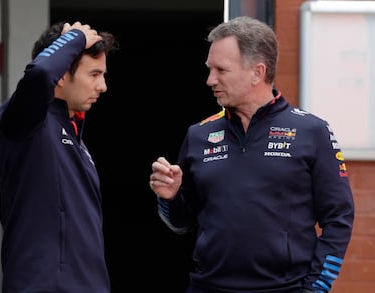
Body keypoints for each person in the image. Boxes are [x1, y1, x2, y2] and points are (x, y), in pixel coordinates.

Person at [149, 16, 354, 293]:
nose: (210, 80)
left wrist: (315, 288)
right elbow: (181, 224)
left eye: (221, 70)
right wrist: (170, 197)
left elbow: (338, 219)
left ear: (257, 72)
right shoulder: (198, 135)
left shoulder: (311, 131)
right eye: (210, 69)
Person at [0, 21, 117, 293]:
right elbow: (39, 74)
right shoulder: (25, 123)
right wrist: (74, 39)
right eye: (94, 74)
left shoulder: (74, 134)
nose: (103, 86)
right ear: (61, 74)